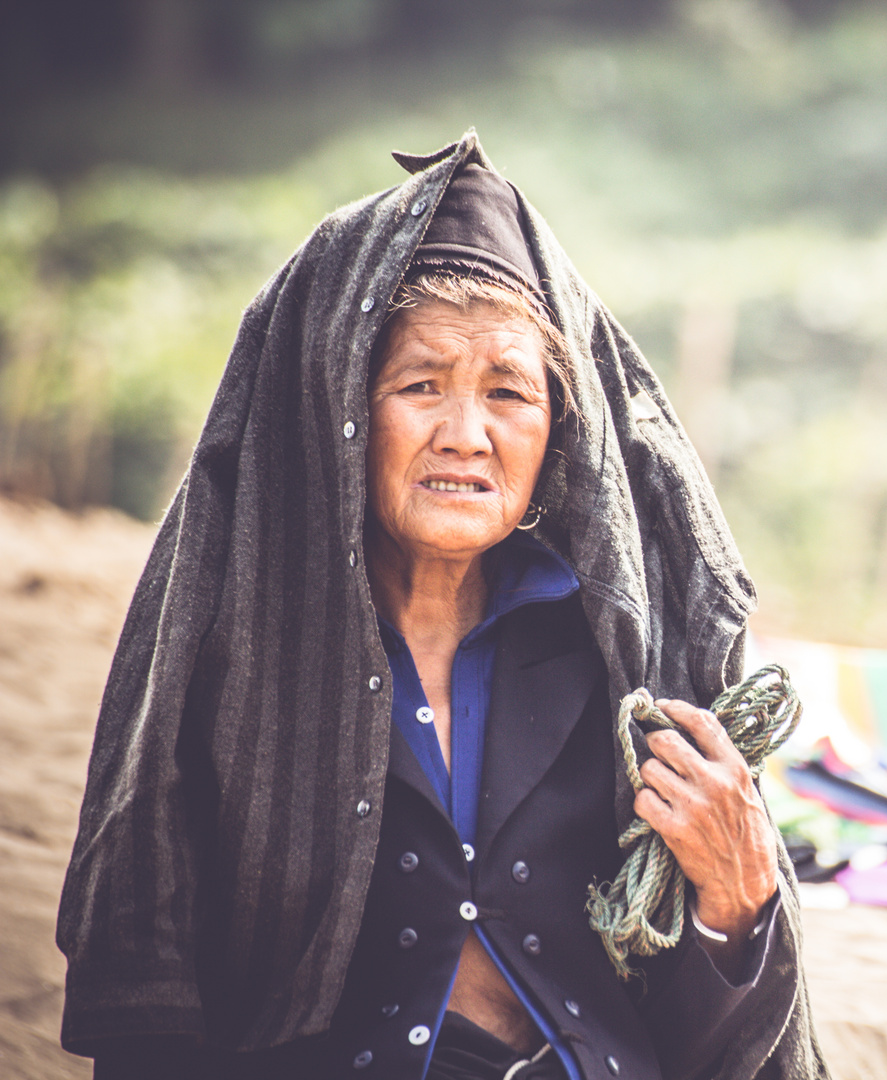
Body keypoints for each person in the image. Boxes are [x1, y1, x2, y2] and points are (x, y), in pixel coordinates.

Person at [56, 133, 827, 1080]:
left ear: (558, 435)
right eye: (421, 385)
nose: (466, 434)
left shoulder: (622, 665)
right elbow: (145, 981)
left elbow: (710, 1042)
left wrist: (736, 902)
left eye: (509, 391)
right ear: (341, 407)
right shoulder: (237, 656)